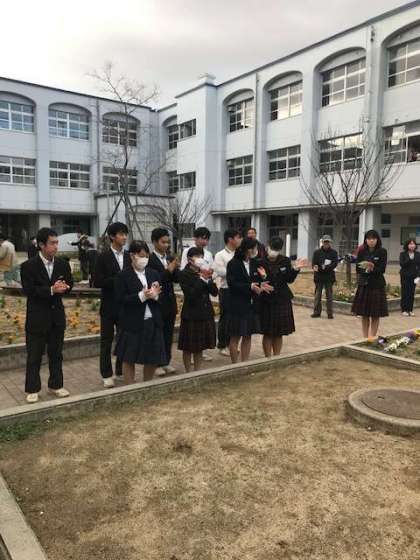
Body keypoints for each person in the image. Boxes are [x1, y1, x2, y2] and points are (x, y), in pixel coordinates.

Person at [20, 227, 73, 404]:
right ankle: (32, 388)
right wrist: (50, 290)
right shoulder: (28, 266)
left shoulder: (62, 264)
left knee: (56, 354)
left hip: (56, 316)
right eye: (52, 243)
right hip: (37, 317)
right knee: (34, 356)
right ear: (42, 245)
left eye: (57, 242)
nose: (56, 246)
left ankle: (56, 385)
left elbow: (70, 283)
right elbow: (29, 290)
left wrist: (65, 287)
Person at [114, 241, 165, 383]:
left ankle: (147, 384)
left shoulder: (153, 273)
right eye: (141, 256)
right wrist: (142, 296)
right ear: (132, 256)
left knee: (152, 357)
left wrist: (155, 295)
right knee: (129, 357)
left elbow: (162, 295)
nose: (144, 259)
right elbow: (121, 299)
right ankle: (130, 387)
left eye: (146, 256)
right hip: (132, 322)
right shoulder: (123, 276)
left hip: (152, 321)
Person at [93, 222, 130, 388]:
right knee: (106, 341)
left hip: (125, 305)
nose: (124, 237)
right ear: (112, 237)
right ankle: (106, 374)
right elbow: (97, 281)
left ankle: (121, 370)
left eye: (125, 234)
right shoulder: (103, 256)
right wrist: (118, 279)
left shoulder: (129, 256)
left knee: (124, 339)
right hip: (109, 306)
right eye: (121, 234)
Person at [258, 237, 307, 357]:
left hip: (282, 299)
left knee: (279, 332)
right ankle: (267, 358)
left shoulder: (285, 260)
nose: (274, 251)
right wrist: (264, 278)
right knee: (267, 332)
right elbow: (259, 281)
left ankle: (277, 357)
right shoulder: (260, 261)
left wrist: (295, 269)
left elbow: (289, 279)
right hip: (266, 300)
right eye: (273, 247)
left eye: (277, 248)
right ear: (268, 246)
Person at [226, 238, 271, 363]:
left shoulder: (255, 263)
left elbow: (258, 281)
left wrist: (263, 280)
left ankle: (245, 362)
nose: (256, 251)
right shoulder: (233, 263)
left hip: (251, 305)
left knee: (248, 335)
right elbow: (232, 283)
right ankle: (234, 364)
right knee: (235, 336)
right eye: (254, 248)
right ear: (247, 249)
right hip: (237, 305)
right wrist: (250, 286)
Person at [178, 247, 218, 372]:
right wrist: (202, 280)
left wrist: (208, 279)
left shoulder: (204, 271)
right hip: (191, 314)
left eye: (201, 256)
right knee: (188, 347)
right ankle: (188, 372)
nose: (200, 259)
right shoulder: (184, 274)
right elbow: (191, 294)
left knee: (200, 347)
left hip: (205, 313)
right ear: (190, 259)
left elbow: (214, 292)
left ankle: (197, 371)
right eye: (197, 257)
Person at [148, 227, 179, 375]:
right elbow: (155, 281)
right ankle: (156, 364)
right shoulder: (150, 260)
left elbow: (176, 279)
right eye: (163, 242)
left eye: (168, 242)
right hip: (158, 302)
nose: (166, 245)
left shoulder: (169, 258)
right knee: (157, 334)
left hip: (170, 301)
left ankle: (166, 361)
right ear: (154, 242)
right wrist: (168, 270)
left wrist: (176, 269)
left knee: (168, 333)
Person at [352, 230, 388, 338]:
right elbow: (358, 268)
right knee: (364, 314)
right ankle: (364, 337)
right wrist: (366, 269)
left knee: (375, 314)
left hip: (377, 285)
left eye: (373, 238)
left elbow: (382, 269)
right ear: (366, 240)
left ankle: (372, 338)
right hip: (364, 285)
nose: (371, 241)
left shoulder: (382, 251)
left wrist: (372, 268)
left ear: (377, 240)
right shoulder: (362, 252)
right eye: (369, 238)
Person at [213, 228, 242, 357]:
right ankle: (222, 345)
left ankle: (233, 344)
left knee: (237, 318)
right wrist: (236, 272)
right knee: (226, 318)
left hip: (239, 290)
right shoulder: (220, 255)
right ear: (230, 239)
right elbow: (220, 271)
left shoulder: (240, 253)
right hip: (227, 290)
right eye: (238, 237)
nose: (240, 240)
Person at [311, 235, 339, 319]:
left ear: (330, 243)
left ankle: (330, 313)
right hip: (319, 276)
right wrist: (318, 268)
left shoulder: (334, 253)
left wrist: (326, 267)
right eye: (325, 242)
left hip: (329, 277)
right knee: (317, 295)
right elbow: (314, 264)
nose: (326, 243)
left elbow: (335, 263)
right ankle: (316, 312)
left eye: (328, 242)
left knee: (329, 296)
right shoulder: (317, 252)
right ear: (322, 242)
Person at [399, 238, 420, 316]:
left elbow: (419, 266)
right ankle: (404, 310)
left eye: (413, 244)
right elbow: (402, 264)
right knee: (405, 292)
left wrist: (418, 276)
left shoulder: (417, 254)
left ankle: (410, 310)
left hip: (414, 276)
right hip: (405, 275)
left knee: (411, 293)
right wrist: (409, 258)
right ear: (407, 245)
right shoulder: (403, 254)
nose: (412, 245)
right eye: (410, 244)